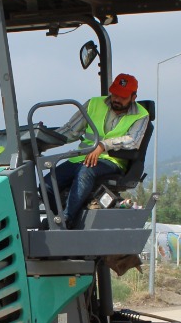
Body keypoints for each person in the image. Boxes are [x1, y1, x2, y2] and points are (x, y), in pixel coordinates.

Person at [49, 73, 151, 228]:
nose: (116, 99)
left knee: (85, 172)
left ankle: (67, 219)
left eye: (122, 97)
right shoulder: (93, 104)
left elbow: (133, 140)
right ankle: (58, 218)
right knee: (49, 182)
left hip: (111, 160)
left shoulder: (141, 115)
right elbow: (71, 130)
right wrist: (45, 140)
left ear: (133, 96)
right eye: (115, 94)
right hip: (81, 157)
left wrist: (104, 145)